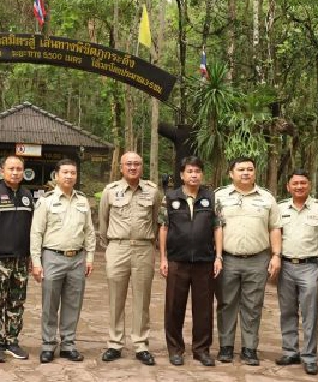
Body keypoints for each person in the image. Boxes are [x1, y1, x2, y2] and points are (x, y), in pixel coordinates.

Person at [214, 156, 282, 366]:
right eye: (241, 169)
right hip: (227, 259)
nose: (246, 173)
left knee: (253, 305)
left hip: (257, 259)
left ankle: (249, 348)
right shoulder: (219, 196)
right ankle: (225, 347)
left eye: (250, 169)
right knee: (226, 303)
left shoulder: (267, 198)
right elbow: (213, 227)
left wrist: (276, 255)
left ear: (255, 172)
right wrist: (215, 257)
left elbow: (275, 227)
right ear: (231, 173)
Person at [97, 151, 162, 366]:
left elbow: (155, 222)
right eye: (129, 164)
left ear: (141, 167)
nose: (133, 168)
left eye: (136, 164)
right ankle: (115, 343)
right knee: (116, 298)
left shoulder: (152, 192)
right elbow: (103, 222)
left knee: (142, 299)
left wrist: (148, 243)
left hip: (144, 249)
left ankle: (141, 344)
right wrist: (111, 246)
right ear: (121, 168)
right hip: (118, 247)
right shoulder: (110, 191)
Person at [158, 156, 222, 367]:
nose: (194, 175)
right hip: (177, 260)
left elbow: (218, 227)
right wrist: (163, 258)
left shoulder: (211, 198)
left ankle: (201, 350)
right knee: (174, 307)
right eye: (190, 171)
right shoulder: (170, 198)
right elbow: (164, 228)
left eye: (197, 171)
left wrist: (218, 257)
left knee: (204, 309)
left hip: (204, 261)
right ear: (182, 175)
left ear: (201, 174)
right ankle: (175, 349)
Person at [30, 159, 95, 363]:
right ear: (56, 176)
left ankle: (68, 344)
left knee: (73, 303)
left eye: (73, 173)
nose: (69, 176)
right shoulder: (46, 201)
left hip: (76, 258)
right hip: (52, 257)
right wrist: (36, 261)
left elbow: (89, 231)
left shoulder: (82, 201)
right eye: (65, 172)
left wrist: (90, 257)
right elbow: (36, 233)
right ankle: (48, 344)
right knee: (50, 303)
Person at [275, 169, 318, 375]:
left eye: (303, 183)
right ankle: (290, 351)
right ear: (288, 186)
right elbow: (274, 233)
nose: (299, 186)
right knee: (287, 311)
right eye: (295, 183)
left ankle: (310, 356)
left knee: (310, 313)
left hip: (310, 266)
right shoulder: (280, 209)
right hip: (286, 265)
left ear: (309, 185)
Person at [0, 155, 34, 363]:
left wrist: (30, 256)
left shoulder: (27, 195)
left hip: (20, 260)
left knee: (17, 303)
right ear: (2, 171)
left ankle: (12, 340)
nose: (15, 172)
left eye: (19, 169)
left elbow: (32, 229)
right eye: (11, 168)